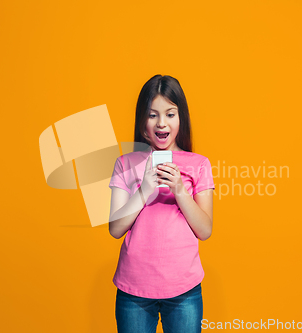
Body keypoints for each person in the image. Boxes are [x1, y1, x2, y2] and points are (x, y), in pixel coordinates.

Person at [108, 74, 215, 333]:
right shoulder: (126, 163)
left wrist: (179, 190)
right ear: (142, 119)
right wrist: (144, 190)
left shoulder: (199, 164)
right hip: (133, 290)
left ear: (181, 118)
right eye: (152, 114)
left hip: (184, 290)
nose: (161, 123)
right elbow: (115, 228)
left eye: (170, 114)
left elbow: (205, 230)